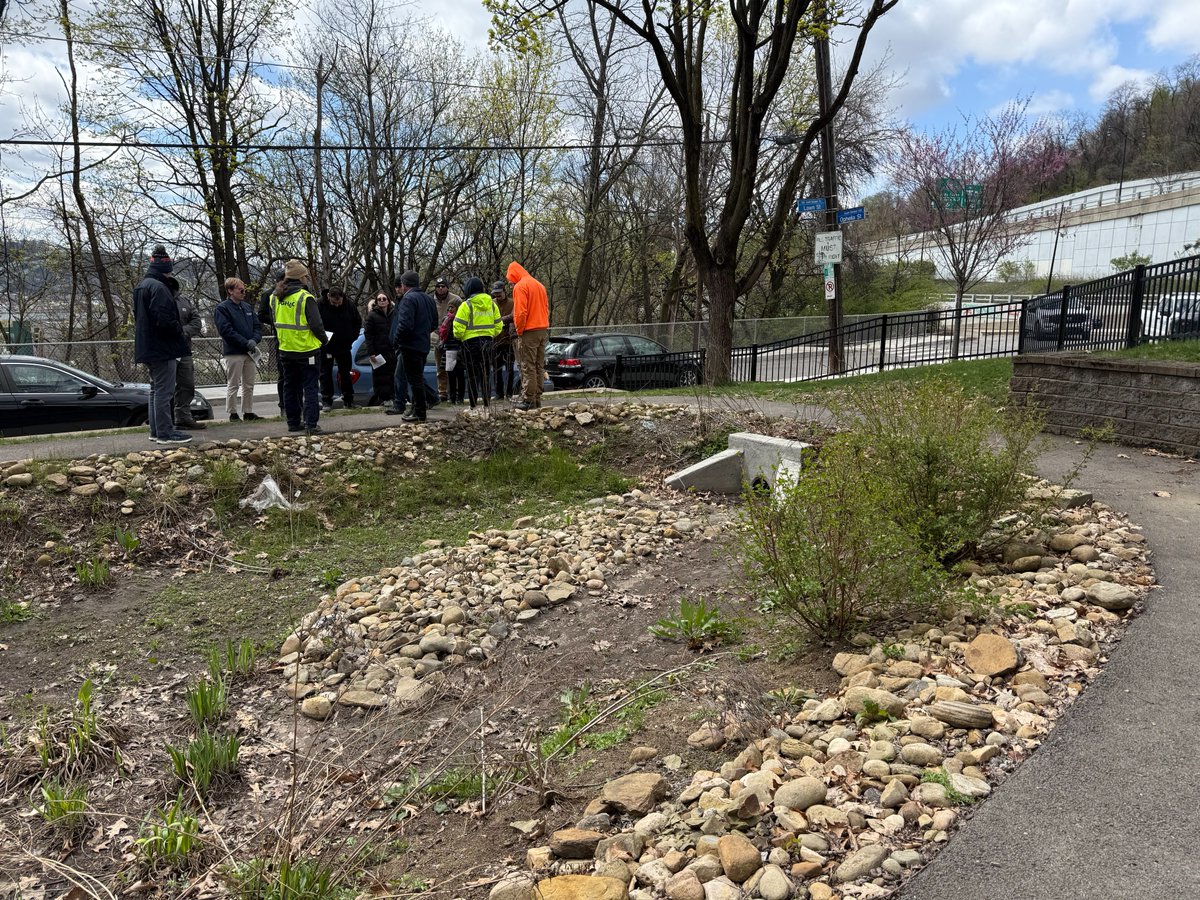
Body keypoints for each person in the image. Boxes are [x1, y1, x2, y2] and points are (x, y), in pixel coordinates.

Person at [133, 245, 192, 445]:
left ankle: (156, 431)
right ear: (166, 268)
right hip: (163, 347)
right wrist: (179, 332)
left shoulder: (143, 285)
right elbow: (165, 320)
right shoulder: (160, 288)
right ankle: (166, 433)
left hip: (148, 345)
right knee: (165, 392)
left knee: (155, 390)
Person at [271, 259, 327, 435]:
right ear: (302, 277)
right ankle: (311, 424)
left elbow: (275, 322)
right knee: (310, 387)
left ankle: (293, 422)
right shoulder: (305, 297)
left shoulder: (275, 297)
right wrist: (324, 340)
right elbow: (316, 325)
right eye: (306, 276)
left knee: (290, 387)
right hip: (306, 350)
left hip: (286, 350)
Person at [391, 270, 439, 422]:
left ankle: (419, 412)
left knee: (414, 380)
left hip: (410, 345)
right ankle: (416, 408)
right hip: (423, 344)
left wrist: (396, 341)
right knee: (417, 378)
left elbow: (405, 325)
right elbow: (434, 324)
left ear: (404, 284)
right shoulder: (429, 299)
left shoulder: (408, 299)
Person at [214, 276, 263, 422]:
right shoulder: (222, 308)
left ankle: (248, 411)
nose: (243, 292)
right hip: (234, 352)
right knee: (233, 383)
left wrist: (254, 340)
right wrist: (244, 342)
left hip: (250, 352)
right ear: (230, 291)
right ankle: (232, 413)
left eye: (244, 290)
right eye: (240, 290)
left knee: (249, 384)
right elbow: (226, 331)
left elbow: (257, 326)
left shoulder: (247, 307)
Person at [453, 276, 502, 410]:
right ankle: (487, 405)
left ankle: (473, 406)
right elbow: (499, 326)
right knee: (486, 375)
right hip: (488, 342)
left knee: (472, 376)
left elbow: (457, 329)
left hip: (471, 345)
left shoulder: (466, 305)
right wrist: (489, 334)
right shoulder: (492, 304)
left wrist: (463, 337)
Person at [507, 261, 549, 410]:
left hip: (529, 331)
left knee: (527, 366)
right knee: (538, 366)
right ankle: (537, 398)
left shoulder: (520, 286)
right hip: (542, 329)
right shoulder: (539, 285)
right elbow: (545, 308)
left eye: (510, 281)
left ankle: (528, 400)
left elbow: (520, 313)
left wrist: (519, 331)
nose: (510, 284)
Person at [169, 275, 206, 430]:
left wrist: (182, 332)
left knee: (187, 385)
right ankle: (166, 421)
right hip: (166, 350)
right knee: (166, 387)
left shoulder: (185, 301)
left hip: (184, 350)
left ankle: (183, 417)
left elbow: (197, 323)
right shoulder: (160, 301)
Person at [318, 287, 362, 411]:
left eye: (339, 303)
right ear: (328, 297)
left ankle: (348, 400)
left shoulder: (349, 305)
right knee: (325, 374)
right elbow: (316, 323)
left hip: (344, 344)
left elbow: (357, 321)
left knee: (345, 373)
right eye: (334, 303)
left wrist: (352, 337)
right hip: (326, 345)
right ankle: (327, 401)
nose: (337, 305)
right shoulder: (320, 304)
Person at [257, 271, 286, 416]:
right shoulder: (269, 295)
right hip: (280, 337)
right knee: (283, 374)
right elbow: (261, 315)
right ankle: (283, 405)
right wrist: (276, 321)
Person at [363, 291, 396, 407]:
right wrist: (371, 352)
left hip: (392, 350)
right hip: (378, 351)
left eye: (384, 299)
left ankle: (393, 397)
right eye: (379, 299)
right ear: (376, 302)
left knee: (393, 375)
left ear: (388, 300)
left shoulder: (394, 314)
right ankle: (384, 398)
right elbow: (368, 335)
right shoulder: (372, 316)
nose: (382, 301)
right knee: (380, 377)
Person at [431, 276, 461, 402]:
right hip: (437, 336)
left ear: (447, 287)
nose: (441, 289)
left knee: (453, 366)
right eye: (438, 286)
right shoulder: (431, 300)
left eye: (443, 286)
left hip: (452, 337)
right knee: (440, 367)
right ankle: (442, 392)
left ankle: (454, 392)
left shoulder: (456, 299)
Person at [437, 290, 465, 405]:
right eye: (448, 308)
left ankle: (460, 398)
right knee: (450, 375)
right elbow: (442, 335)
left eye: (452, 308)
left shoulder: (462, 320)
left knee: (460, 376)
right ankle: (452, 397)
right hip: (448, 351)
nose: (450, 310)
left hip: (459, 351)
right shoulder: (446, 320)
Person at [492, 279, 517, 401]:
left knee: (509, 368)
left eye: (499, 292)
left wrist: (500, 321)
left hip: (508, 340)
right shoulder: (492, 303)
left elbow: (514, 317)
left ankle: (509, 393)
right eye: (495, 293)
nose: (497, 295)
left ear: (504, 291)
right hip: (495, 340)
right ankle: (498, 393)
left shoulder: (512, 303)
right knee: (496, 369)